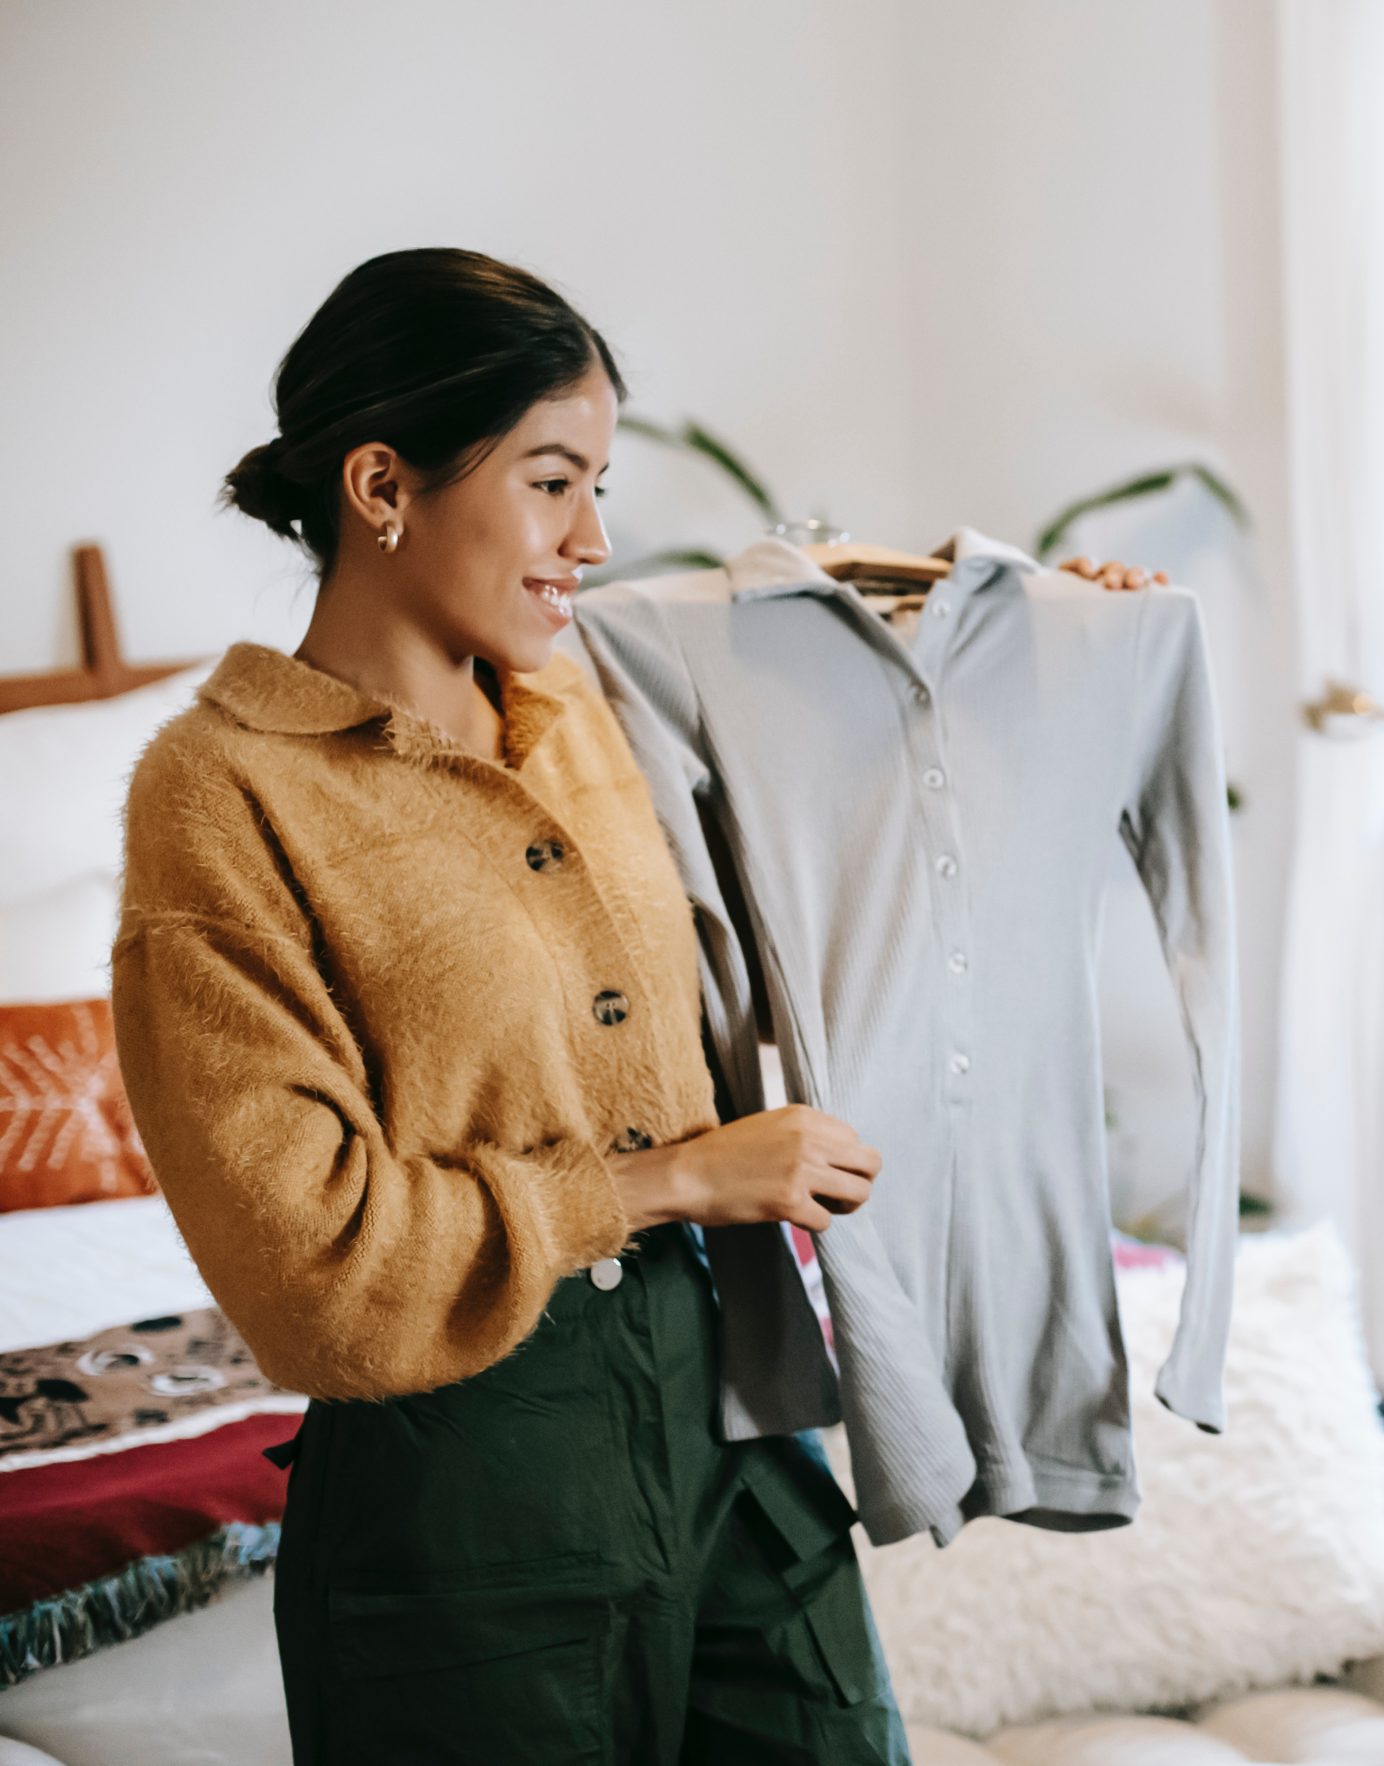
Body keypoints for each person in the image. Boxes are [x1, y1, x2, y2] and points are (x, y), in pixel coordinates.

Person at [107, 245, 1158, 1763]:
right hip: (463, 1487)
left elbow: (884, 764)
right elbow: (306, 1270)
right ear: (382, 482)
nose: (592, 537)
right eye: (550, 482)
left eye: (598, 484)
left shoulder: (596, 693)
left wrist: (1077, 640)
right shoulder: (222, 794)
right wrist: (675, 1177)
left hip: (731, 1410)